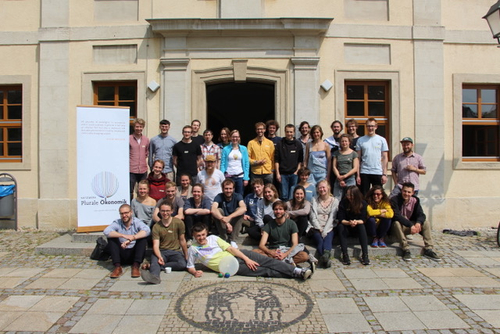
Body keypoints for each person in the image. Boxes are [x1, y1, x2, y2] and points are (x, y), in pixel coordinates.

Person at [186, 223, 312, 280]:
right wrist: (194, 272)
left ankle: (298, 270)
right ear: (194, 236)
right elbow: (190, 266)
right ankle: (295, 274)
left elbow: (231, 248)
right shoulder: (193, 249)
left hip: (240, 255)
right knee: (264, 271)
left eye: (203, 235)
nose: (201, 238)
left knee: (268, 261)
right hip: (230, 266)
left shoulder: (213, 238)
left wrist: (247, 259)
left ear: (206, 233)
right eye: (198, 236)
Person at [390, 182, 440, 262]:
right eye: (404, 191)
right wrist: (410, 225)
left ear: (413, 193)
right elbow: (396, 216)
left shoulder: (415, 200)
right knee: (396, 223)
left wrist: (418, 223)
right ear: (401, 191)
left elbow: (421, 214)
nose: (406, 194)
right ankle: (405, 249)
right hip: (398, 228)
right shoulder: (394, 200)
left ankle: (428, 248)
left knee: (426, 223)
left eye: (409, 192)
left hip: (410, 226)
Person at [140, 202, 188, 284]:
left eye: (167, 211)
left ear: (172, 211)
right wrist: (159, 257)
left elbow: (182, 240)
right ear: (160, 212)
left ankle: (154, 266)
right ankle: (154, 277)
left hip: (175, 251)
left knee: (182, 264)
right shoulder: (156, 226)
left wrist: (186, 255)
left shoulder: (178, 223)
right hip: (161, 251)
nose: (165, 213)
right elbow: (155, 245)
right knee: (156, 261)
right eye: (163, 211)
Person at [254, 201, 309, 265]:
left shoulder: (291, 224)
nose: (278, 212)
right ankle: (285, 263)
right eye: (276, 209)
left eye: (280, 209)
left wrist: (285, 254)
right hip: (273, 251)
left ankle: (275, 263)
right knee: (254, 252)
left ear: (285, 211)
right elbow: (261, 245)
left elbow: (295, 244)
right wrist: (271, 252)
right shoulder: (269, 225)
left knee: (304, 256)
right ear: (273, 211)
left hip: (287, 250)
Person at [103, 204, 151, 278]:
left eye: (126, 213)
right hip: (121, 252)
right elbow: (106, 231)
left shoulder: (136, 222)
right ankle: (117, 267)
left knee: (142, 238)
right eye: (122, 213)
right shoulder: (117, 222)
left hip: (134, 253)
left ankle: (136, 266)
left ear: (131, 212)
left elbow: (147, 230)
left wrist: (132, 238)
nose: (124, 215)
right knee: (111, 238)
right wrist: (123, 236)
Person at [337, 186, 370, 266]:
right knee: (341, 227)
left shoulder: (363, 203)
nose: (349, 197)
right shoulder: (343, 203)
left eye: (351, 195)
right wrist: (349, 222)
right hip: (347, 226)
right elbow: (341, 219)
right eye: (348, 195)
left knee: (361, 226)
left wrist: (355, 222)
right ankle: (345, 254)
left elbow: (363, 219)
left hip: (357, 226)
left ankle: (365, 254)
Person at [309, 180, 339, 268]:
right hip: (316, 226)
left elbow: (332, 217)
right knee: (319, 239)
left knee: (328, 238)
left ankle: (324, 258)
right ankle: (325, 258)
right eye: (319, 188)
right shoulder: (314, 200)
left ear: (328, 188)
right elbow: (312, 216)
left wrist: (325, 230)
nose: (322, 189)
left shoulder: (334, 201)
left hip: (329, 226)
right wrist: (319, 228)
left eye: (323, 187)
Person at [355, 118, 389, 195]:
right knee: (364, 195)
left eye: (372, 126)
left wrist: (384, 174)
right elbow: (358, 158)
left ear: (376, 127)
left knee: (378, 194)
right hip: (364, 172)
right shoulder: (361, 140)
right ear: (366, 127)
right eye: (368, 126)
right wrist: (358, 175)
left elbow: (385, 158)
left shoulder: (382, 140)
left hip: (377, 171)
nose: (370, 128)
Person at [275, 124, 303, 200]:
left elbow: (300, 160)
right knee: (284, 195)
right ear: (285, 132)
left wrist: (297, 171)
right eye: (287, 132)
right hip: (283, 174)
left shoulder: (298, 144)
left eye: (291, 132)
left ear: (294, 132)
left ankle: (292, 211)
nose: (289, 134)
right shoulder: (280, 144)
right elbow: (276, 160)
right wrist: (277, 173)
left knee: (293, 195)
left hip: (294, 174)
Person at [220, 129, 250, 196]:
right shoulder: (225, 149)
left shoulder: (243, 149)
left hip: (240, 177)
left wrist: (246, 178)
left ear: (239, 138)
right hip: (228, 176)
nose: (235, 138)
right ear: (230, 138)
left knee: (239, 196)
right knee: (228, 196)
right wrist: (222, 176)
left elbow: (246, 164)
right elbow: (222, 163)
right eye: (233, 137)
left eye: (236, 137)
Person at [332, 134, 359, 200]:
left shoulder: (354, 153)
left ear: (349, 142)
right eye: (342, 141)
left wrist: (345, 176)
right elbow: (334, 166)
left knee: (351, 198)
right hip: (339, 178)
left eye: (346, 141)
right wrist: (339, 177)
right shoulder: (336, 153)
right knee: (337, 199)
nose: (344, 143)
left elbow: (355, 168)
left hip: (350, 179)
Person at [129, 118, 149, 200]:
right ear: (134, 127)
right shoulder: (128, 139)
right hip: (131, 170)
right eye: (137, 127)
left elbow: (146, 153)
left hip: (143, 170)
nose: (139, 129)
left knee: (142, 191)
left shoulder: (146, 140)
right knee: (130, 191)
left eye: (140, 127)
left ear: (143, 127)